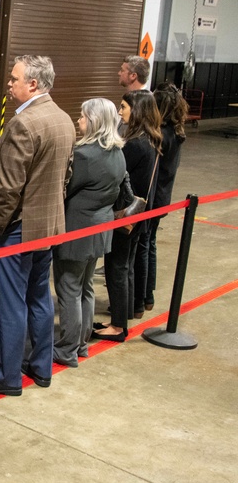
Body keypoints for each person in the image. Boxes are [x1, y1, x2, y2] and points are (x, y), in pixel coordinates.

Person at [0, 55, 75, 396]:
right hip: (48, 226)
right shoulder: (63, 119)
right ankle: (41, 367)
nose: (8, 84)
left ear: (33, 84)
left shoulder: (23, 125)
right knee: (39, 295)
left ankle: (6, 375)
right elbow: (66, 176)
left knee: (10, 302)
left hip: (16, 229)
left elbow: (7, 188)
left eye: (14, 79)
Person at [52, 99, 125, 366]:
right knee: (85, 288)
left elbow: (65, 189)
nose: (78, 121)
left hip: (77, 230)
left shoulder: (84, 155)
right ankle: (81, 344)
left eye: (82, 117)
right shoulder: (117, 151)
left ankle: (67, 348)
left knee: (69, 288)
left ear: (93, 121)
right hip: (100, 229)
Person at [95, 90, 161, 342]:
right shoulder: (151, 139)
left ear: (137, 111)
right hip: (141, 215)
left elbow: (116, 173)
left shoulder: (135, 144)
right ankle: (126, 315)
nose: (120, 112)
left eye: (123, 107)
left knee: (116, 269)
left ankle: (118, 326)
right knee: (126, 267)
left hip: (127, 216)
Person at [135, 84, 188, 313]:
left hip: (153, 199)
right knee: (150, 244)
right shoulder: (175, 132)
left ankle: (142, 296)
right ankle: (148, 296)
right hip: (163, 197)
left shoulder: (161, 136)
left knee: (143, 246)